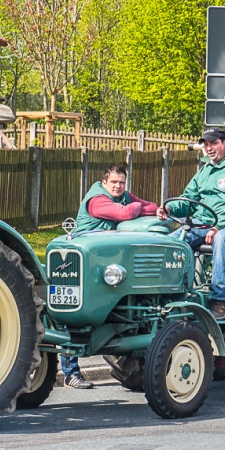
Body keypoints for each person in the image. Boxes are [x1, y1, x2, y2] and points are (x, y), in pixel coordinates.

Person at [64, 164, 160, 388]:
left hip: (104, 261)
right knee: (75, 312)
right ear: (104, 182)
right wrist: (134, 206)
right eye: (114, 182)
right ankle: (70, 372)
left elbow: (154, 207)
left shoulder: (123, 196)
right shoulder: (97, 200)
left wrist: (133, 204)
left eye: (122, 182)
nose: (118, 186)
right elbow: (124, 213)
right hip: (84, 259)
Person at [157, 128, 225, 319]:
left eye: (214, 143)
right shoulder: (205, 171)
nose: (209, 148)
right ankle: (169, 294)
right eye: (206, 145)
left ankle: (220, 299)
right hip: (202, 222)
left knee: (222, 238)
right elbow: (188, 198)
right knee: (172, 242)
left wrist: (217, 225)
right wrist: (169, 208)